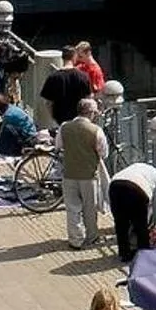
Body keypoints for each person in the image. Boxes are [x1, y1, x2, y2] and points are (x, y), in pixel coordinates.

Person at [60, 98, 108, 250]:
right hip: (89, 175)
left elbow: (58, 145)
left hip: (69, 173)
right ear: (91, 113)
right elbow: (104, 153)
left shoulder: (64, 127)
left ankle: (75, 240)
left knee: (72, 208)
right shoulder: (96, 131)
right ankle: (91, 236)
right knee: (90, 208)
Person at [105, 157, 156, 265]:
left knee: (121, 224)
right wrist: (155, 222)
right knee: (140, 225)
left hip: (115, 185)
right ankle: (143, 254)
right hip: (137, 189)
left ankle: (124, 254)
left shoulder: (138, 167)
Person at [38, 57, 93, 126]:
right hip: (79, 120)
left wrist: (53, 116)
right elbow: (89, 99)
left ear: (62, 58)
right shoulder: (83, 76)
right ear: (74, 58)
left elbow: (48, 102)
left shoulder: (53, 77)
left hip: (61, 120)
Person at [0, 93, 38, 158]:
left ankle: (16, 151)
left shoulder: (8, 115)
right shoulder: (11, 107)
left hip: (28, 138)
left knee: (6, 130)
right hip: (31, 132)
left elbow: (2, 131)